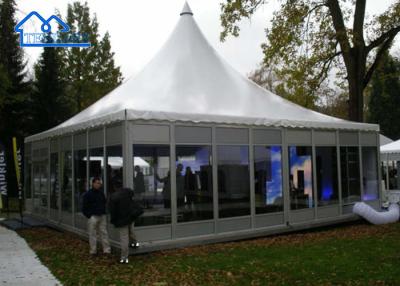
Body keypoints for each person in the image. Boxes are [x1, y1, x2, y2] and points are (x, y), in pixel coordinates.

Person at [108, 180, 141, 264]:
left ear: (115, 187)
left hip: (122, 220)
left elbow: (113, 211)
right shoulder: (128, 192)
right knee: (131, 231)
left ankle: (124, 258)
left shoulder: (113, 197)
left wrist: (113, 220)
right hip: (131, 216)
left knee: (124, 238)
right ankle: (135, 243)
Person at [82, 177, 111, 256]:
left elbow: (104, 202)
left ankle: (106, 250)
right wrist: (89, 215)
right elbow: (84, 207)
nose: (99, 185)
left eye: (100, 183)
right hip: (93, 216)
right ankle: (93, 250)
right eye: (97, 183)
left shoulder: (101, 193)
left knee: (104, 233)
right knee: (92, 234)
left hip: (102, 215)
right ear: (93, 183)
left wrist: (104, 212)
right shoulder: (88, 194)